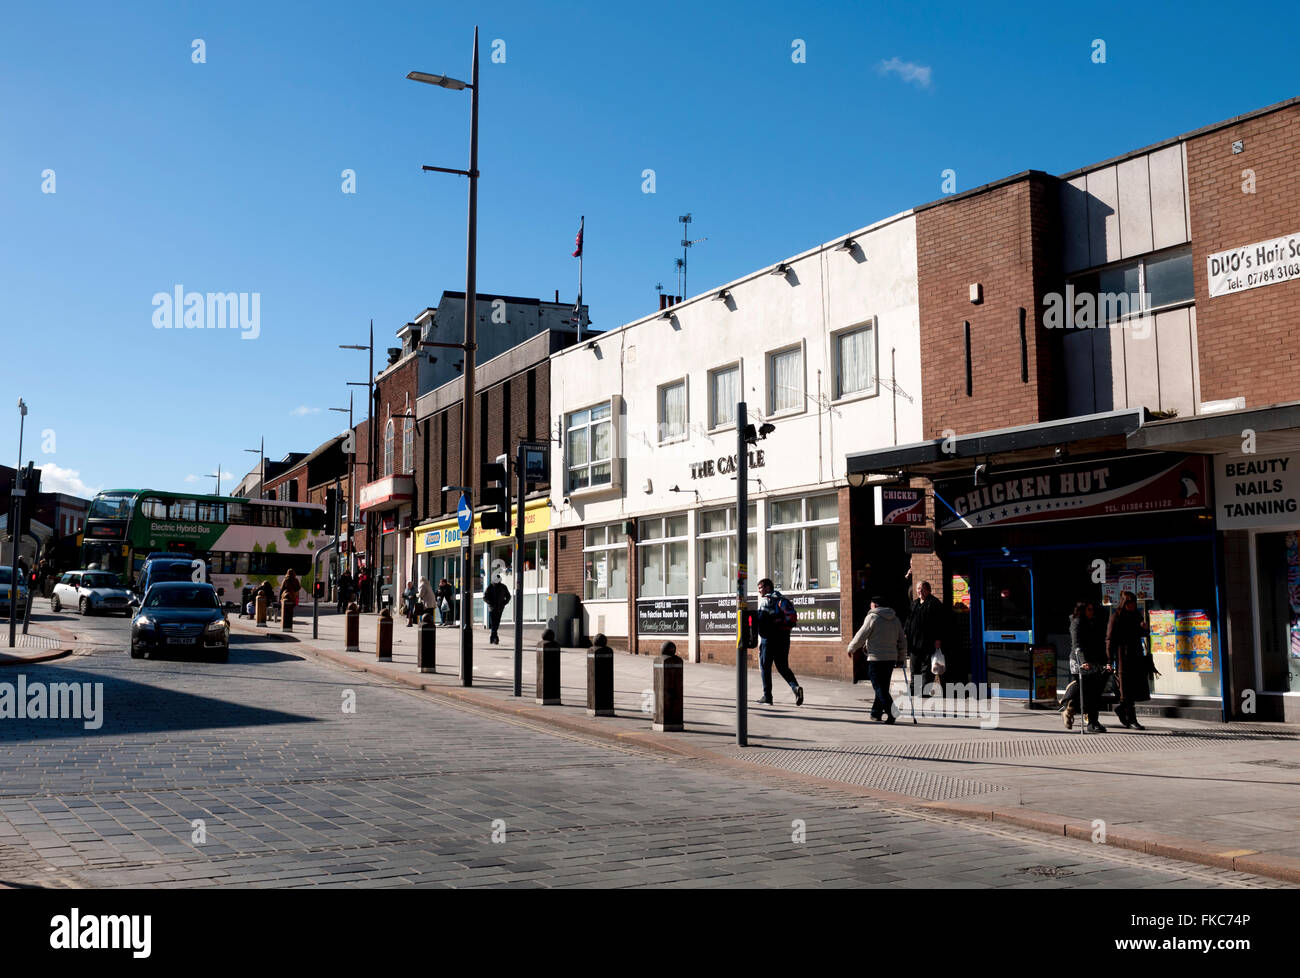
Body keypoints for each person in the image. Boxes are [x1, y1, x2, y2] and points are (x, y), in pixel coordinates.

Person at [846, 595, 906, 723]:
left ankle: (892, 712)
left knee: (879, 687)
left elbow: (861, 635)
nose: (870, 606)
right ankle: (876, 712)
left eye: (871, 604)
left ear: (875, 605)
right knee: (883, 687)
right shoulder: (895, 619)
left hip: (876, 658)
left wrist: (851, 647)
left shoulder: (872, 617)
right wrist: (901, 658)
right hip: (890, 659)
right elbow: (902, 641)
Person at [1107, 590, 1157, 730]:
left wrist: (1145, 629)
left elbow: (1142, 634)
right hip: (1123, 657)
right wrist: (1109, 660)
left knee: (1134, 689)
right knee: (1126, 690)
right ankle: (1132, 719)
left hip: (1137, 656)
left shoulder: (1136, 615)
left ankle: (1122, 711)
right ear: (1124, 603)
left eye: (1134, 603)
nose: (1133, 605)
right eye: (1130, 603)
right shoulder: (1116, 617)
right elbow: (1110, 640)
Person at [754, 578, 803, 706]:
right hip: (784, 638)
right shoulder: (782, 600)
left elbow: (760, 620)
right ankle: (795, 688)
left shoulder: (765, 601)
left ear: (768, 587)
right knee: (782, 667)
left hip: (768, 639)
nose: (759, 590)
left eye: (761, 587)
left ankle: (767, 697)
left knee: (765, 667)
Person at [1065, 601, 1109, 732]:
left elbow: (1099, 643)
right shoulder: (1077, 623)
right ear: (1082, 610)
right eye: (1089, 609)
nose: (1092, 612)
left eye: (1092, 609)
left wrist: (1105, 661)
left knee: (1094, 693)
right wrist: (1083, 662)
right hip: (1080, 662)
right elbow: (1076, 644)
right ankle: (1091, 722)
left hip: (1093, 661)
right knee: (1089, 693)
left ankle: (1072, 708)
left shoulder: (1093, 622)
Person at [905, 580, 946, 698]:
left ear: (928, 590)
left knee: (926, 668)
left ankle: (925, 690)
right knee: (914, 667)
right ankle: (914, 689)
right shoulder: (914, 604)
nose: (920, 591)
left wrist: (938, 639)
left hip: (928, 641)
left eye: (922, 589)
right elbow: (908, 620)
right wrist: (905, 633)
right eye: (918, 589)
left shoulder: (934, 603)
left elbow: (940, 624)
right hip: (914, 643)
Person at [483, 576, 511, 645]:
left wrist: (504, 603)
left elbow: (508, 596)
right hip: (492, 609)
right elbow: (485, 597)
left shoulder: (503, 587)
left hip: (499, 608)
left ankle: (492, 638)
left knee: (496, 624)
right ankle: (495, 638)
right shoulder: (490, 587)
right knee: (493, 624)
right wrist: (490, 603)